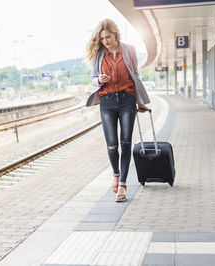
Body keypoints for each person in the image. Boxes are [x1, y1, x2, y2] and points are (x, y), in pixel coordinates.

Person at [85, 19, 150, 202]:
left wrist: (139, 101)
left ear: (116, 35)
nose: (105, 41)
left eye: (108, 37)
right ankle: (115, 173)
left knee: (126, 143)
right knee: (112, 145)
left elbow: (134, 75)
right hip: (107, 101)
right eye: (102, 38)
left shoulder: (128, 50)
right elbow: (93, 78)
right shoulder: (99, 53)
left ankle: (122, 184)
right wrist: (100, 80)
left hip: (127, 100)